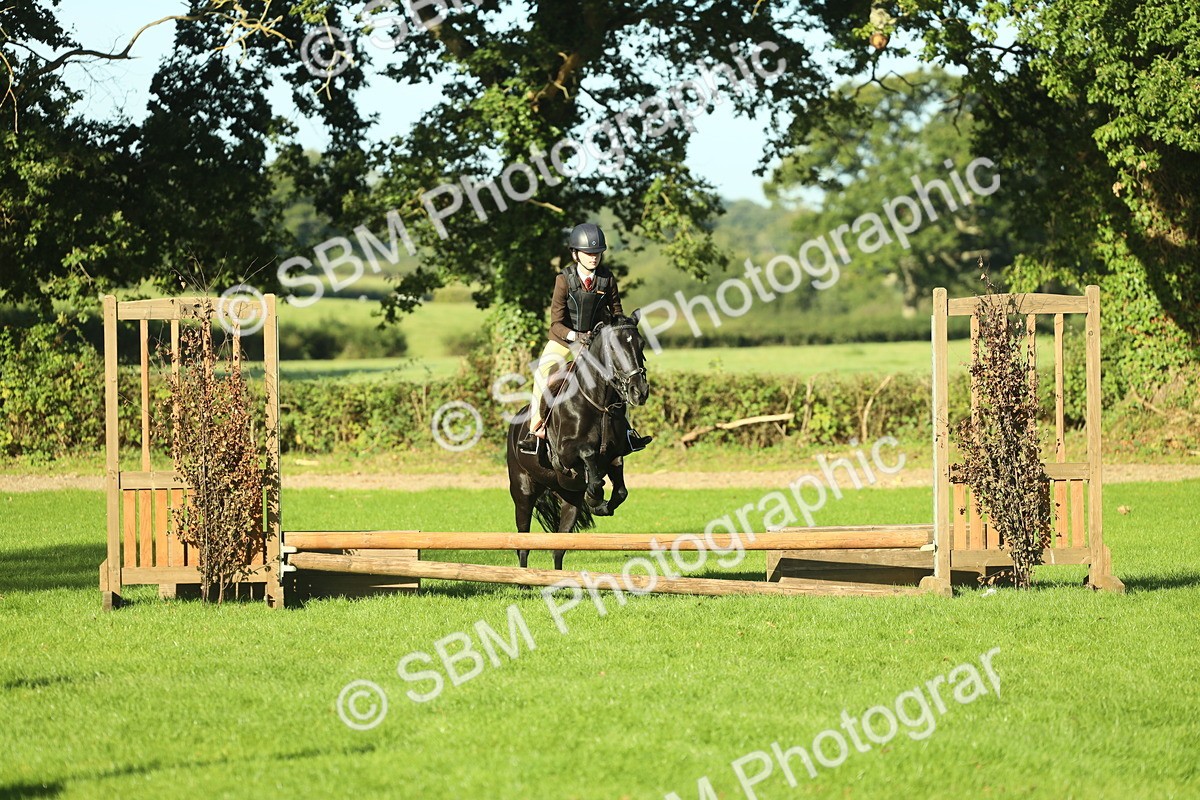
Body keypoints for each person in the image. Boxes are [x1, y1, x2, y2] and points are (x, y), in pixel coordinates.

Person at [518, 222, 653, 455]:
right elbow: (556, 323)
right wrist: (575, 336)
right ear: (575, 254)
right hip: (564, 339)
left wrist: (622, 330)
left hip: (596, 343)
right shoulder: (564, 280)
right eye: (589, 253)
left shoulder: (607, 279)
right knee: (542, 371)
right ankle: (536, 430)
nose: (594, 258)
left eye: (597, 253)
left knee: (619, 377)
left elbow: (617, 311)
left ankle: (627, 433)